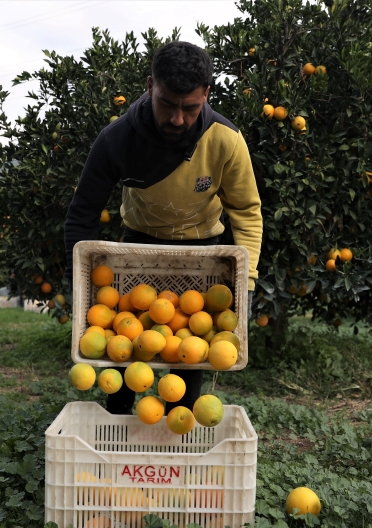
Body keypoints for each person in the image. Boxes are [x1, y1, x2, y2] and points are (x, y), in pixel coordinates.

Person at [64, 41, 263, 415]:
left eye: (190, 108)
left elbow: (247, 212)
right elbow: (82, 214)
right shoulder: (117, 139)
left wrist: (245, 282)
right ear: (150, 86)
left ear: (206, 94)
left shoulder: (224, 140)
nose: (177, 119)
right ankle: (119, 421)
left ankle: (178, 426)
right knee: (123, 349)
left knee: (189, 356)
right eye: (167, 104)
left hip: (204, 250)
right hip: (138, 247)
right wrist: (80, 284)